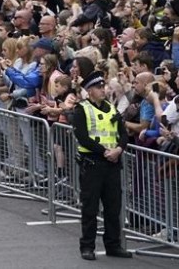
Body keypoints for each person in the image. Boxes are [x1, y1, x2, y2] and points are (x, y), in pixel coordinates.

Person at [73, 70, 132, 261]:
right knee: (90, 207)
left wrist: (119, 150)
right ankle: (87, 246)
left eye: (103, 86)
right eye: (98, 87)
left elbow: (123, 134)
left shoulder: (112, 108)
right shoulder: (82, 109)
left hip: (112, 163)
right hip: (93, 163)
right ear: (89, 91)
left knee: (113, 207)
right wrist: (105, 151)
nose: (102, 90)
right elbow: (82, 136)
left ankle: (113, 245)